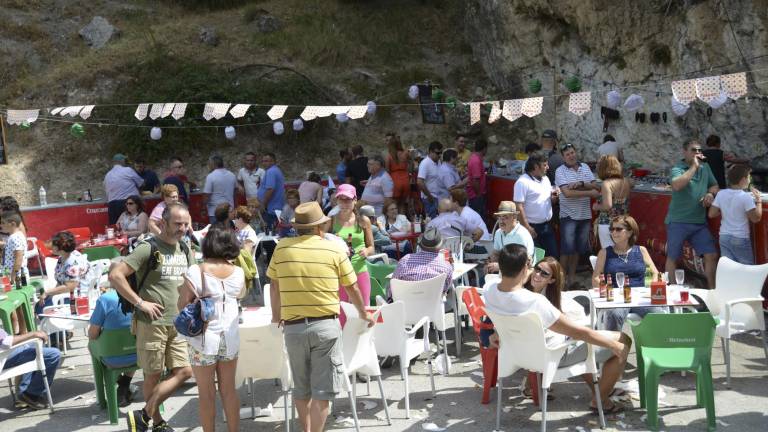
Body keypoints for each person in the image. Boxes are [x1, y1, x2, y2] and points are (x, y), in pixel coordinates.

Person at [485, 244, 631, 414]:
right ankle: (602, 400)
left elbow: (503, 313)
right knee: (623, 340)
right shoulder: (535, 301)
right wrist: (612, 345)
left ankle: (600, 393)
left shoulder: (490, 290)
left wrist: (497, 332)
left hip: (517, 355)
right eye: (532, 265)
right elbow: (577, 332)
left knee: (584, 343)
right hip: (551, 356)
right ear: (525, 268)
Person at [267, 201, 373, 432]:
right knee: (323, 392)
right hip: (325, 325)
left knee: (301, 389)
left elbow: (274, 287)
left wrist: (277, 316)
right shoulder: (334, 248)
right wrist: (364, 313)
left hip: (293, 327)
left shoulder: (282, 248)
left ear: (297, 227)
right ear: (320, 227)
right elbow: (353, 287)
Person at [110, 203, 195, 432]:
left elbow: (193, 280)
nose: (183, 228)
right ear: (163, 223)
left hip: (177, 323)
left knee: (185, 372)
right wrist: (140, 303)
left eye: (185, 223)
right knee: (153, 376)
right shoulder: (148, 248)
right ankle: (157, 423)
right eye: (177, 223)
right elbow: (115, 275)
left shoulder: (185, 249)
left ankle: (143, 415)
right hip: (151, 324)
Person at [177, 227, 245, 432]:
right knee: (229, 391)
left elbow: (182, 304)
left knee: (206, 393)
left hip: (203, 339)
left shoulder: (196, 271)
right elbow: (240, 295)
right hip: (230, 337)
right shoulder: (238, 272)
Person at [665, 140, 719, 289]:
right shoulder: (678, 168)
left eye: (699, 150)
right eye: (693, 150)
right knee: (673, 258)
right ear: (684, 151)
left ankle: (712, 292)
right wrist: (694, 166)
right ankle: (672, 292)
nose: (697, 153)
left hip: (699, 222)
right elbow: (677, 185)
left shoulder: (706, 167)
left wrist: (710, 193)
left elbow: (715, 185)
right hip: (678, 221)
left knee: (712, 255)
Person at [592, 215, 663, 331]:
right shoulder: (604, 252)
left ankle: (654, 345)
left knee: (659, 313)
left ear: (630, 233)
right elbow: (595, 277)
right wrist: (605, 292)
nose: (614, 232)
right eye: (612, 229)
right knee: (614, 315)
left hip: (639, 297)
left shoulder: (641, 250)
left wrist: (651, 290)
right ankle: (616, 346)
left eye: (618, 229)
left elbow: (655, 273)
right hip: (616, 298)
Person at [556, 144, 601, 286]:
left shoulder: (585, 167)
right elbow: (567, 193)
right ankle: (561, 281)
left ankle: (571, 279)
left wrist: (580, 183)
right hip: (568, 215)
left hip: (584, 215)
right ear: (563, 157)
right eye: (567, 154)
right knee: (566, 250)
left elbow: (597, 187)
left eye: (572, 152)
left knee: (577, 250)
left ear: (576, 153)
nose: (571, 156)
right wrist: (588, 191)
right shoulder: (560, 171)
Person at [88, 285, 138, 407]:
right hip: (140, 355)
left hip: (111, 359)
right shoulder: (141, 295)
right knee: (130, 344)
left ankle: (120, 384)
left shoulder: (105, 299)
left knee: (90, 344)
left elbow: (93, 334)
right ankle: (124, 386)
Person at [332, 184, 374, 319]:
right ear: (336, 200)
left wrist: (366, 251)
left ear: (355, 200)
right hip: (339, 273)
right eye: (341, 199)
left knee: (364, 309)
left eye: (348, 199)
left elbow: (371, 247)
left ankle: (365, 339)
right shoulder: (330, 221)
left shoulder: (363, 220)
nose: (344, 203)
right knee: (342, 312)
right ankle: (345, 339)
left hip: (360, 270)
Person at [709, 165, 763, 264]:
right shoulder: (745, 197)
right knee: (746, 270)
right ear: (743, 179)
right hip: (740, 237)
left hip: (724, 236)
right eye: (749, 177)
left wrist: (726, 209)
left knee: (729, 269)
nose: (749, 180)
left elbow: (712, 214)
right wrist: (759, 201)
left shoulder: (721, 194)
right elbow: (756, 218)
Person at [0, 328, 61, 410]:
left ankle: (25, 392)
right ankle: (32, 394)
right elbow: (5, 343)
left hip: (6, 351)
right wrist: (32, 334)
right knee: (53, 354)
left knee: (37, 342)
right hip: (4, 355)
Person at [514, 151, 559, 258]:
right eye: (544, 165)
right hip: (531, 227)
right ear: (535, 166)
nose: (548, 167)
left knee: (552, 258)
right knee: (535, 259)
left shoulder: (546, 179)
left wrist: (554, 198)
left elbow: (548, 200)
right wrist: (527, 227)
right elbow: (518, 207)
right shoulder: (522, 182)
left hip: (547, 225)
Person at [391, 227, 454, 295]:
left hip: (405, 303)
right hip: (433, 304)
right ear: (440, 247)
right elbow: (445, 290)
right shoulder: (446, 267)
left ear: (421, 245)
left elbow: (393, 286)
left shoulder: (405, 261)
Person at [593, 155, 632, 248]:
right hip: (623, 223)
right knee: (622, 254)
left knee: (609, 255)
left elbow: (608, 206)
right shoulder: (625, 182)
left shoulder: (606, 184)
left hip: (608, 224)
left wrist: (596, 206)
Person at [485, 201, 534, 273]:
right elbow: (496, 253)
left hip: (522, 273)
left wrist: (501, 267)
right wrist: (488, 263)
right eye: (499, 217)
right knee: (483, 280)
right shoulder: (499, 232)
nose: (501, 221)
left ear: (514, 217)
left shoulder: (522, 235)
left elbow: (526, 262)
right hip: (506, 271)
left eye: (505, 217)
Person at [1, 211, 29, 334]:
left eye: (3, 223)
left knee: (17, 304)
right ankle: (19, 331)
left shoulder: (16, 237)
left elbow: (19, 257)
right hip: (14, 275)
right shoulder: (15, 236)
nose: (1, 225)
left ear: (12, 223)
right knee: (16, 305)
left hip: (16, 276)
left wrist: (12, 277)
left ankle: (22, 332)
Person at [104, 154, 144, 225]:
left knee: (115, 228)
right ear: (122, 161)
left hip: (112, 205)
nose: (126, 162)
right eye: (125, 160)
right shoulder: (128, 170)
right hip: (127, 203)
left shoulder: (108, 175)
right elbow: (141, 183)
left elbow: (107, 192)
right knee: (133, 226)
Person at [202, 155, 237, 226]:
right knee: (229, 232)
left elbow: (206, 195)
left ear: (213, 164)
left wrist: (203, 208)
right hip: (229, 210)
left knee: (217, 233)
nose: (209, 166)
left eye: (210, 164)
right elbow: (235, 191)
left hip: (215, 211)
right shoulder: (232, 175)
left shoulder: (211, 176)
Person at [256, 152, 285, 233]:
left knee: (269, 234)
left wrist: (263, 205)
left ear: (273, 162)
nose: (264, 163)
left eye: (267, 161)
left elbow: (270, 189)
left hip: (271, 210)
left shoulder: (271, 172)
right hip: (275, 208)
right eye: (263, 161)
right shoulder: (275, 170)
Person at [384, 133, 411, 214]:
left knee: (394, 205)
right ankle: (402, 222)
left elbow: (387, 171)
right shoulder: (405, 153)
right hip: (406, 180)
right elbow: (411, 164)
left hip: (395, 181)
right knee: (402, 204)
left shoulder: (389, 156)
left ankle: (396, 224)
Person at [417, 141, 444, 218]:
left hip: (438, 197)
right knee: (432, 223)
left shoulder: (438, 161)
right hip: (430, 198)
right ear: (430, 152)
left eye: (441, 153)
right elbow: (419, 182)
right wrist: (429, 196)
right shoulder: (425, 163)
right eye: (437, 153)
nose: (439, 155)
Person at [466, 139, 488, 218]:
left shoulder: (474, 158)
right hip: (475, 196)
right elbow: (475, 181)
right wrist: (479, 195)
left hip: (475, 194)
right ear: (484, 148)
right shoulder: (476, 161)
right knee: (478, 218)